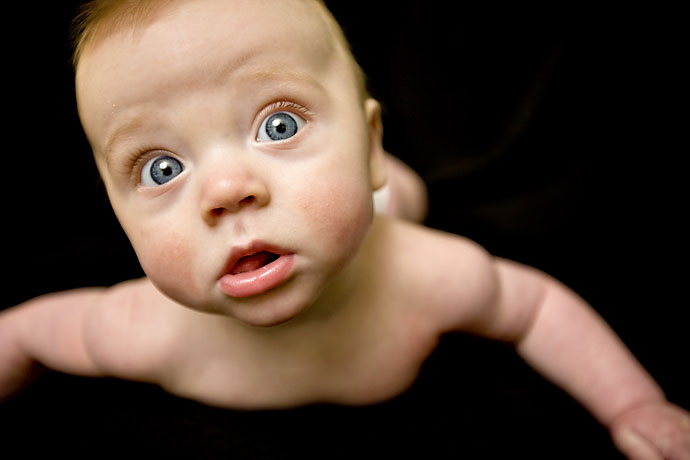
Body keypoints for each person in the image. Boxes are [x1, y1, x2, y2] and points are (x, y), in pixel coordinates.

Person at [0, 0, 688, 458]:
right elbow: (24, 334)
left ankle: (387, 184)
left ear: (366, 139)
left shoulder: (430, 277)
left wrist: (632, 402)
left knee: (397, 203)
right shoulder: (133, 330)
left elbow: (536, 308)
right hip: (346, 205)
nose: (226, 191)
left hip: (380, 220)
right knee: (351, 210)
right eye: (158, 169)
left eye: (279, 125)